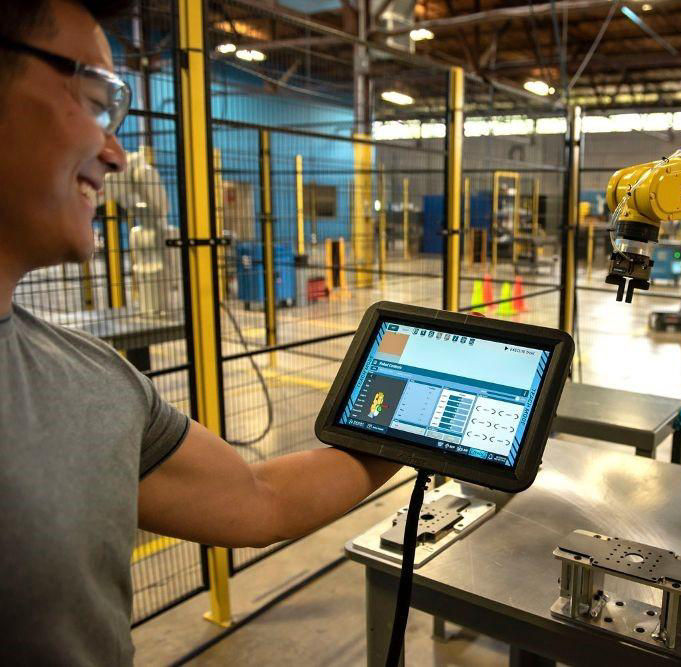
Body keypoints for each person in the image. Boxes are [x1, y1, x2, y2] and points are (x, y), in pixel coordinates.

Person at [0, 1, 400, 663]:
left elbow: (259, 497)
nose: (115, 153)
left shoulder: (93, 382)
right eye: (95, 98)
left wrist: (415, 433)